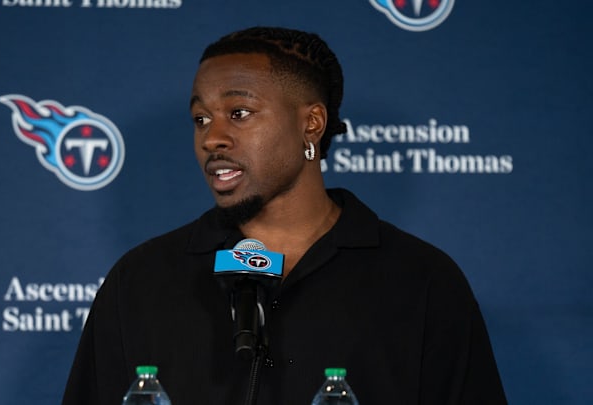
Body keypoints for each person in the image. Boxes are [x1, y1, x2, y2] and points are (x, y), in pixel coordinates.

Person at [62, 26, 507, 405]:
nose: (212, 137)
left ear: (311, 123)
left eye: (239, 113)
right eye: (200, 119)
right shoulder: (140, 280)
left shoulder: (422, 280)